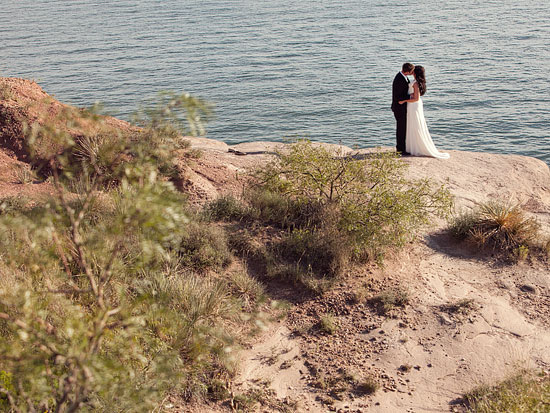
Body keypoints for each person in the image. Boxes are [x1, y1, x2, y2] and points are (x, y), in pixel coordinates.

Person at [398, 65, 450, 159]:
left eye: (413, 71)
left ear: (415, 73)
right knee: (412, 125)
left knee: (415, 124)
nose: (411, 72)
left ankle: (417, 147)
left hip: (413, 105)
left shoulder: (416, 83)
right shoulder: (415, 82)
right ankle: (411, 147)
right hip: (412, 106)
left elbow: (416, 98)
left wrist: (404, 100)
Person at [392, 62, 415, 155]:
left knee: (403, 128)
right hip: (399, 108)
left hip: (402, 107)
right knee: (401, 129)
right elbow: (398, 96)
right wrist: (409, 98)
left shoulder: (403, 77)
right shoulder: (399, 79)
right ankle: (400, 150)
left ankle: (402, 148)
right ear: (408, 71)